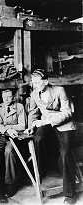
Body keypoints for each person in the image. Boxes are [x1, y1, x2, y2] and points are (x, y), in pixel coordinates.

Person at [24, 69, 77, 204]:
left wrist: (47, 121)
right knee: (38, 138)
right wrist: (31, 126)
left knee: (65, 154)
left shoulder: (59, 90)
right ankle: (40, 172)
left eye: (37, 82)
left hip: (64, 125)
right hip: (46, 125)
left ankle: (70, 194)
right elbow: (33, 113)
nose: (34, 85)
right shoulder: (34, 94)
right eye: (33, 83)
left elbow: (68, 112)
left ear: (46, 81)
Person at [0, 89, 27, 197]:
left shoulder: (19, 107)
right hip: (3, 135)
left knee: (9, 151)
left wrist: (9, 128)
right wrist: (7, 130)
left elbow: (22, 126)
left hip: (16, 136)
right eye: (4, 97)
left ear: (13, 97)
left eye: (9, 97)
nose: (6, 99)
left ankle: (10, 184)